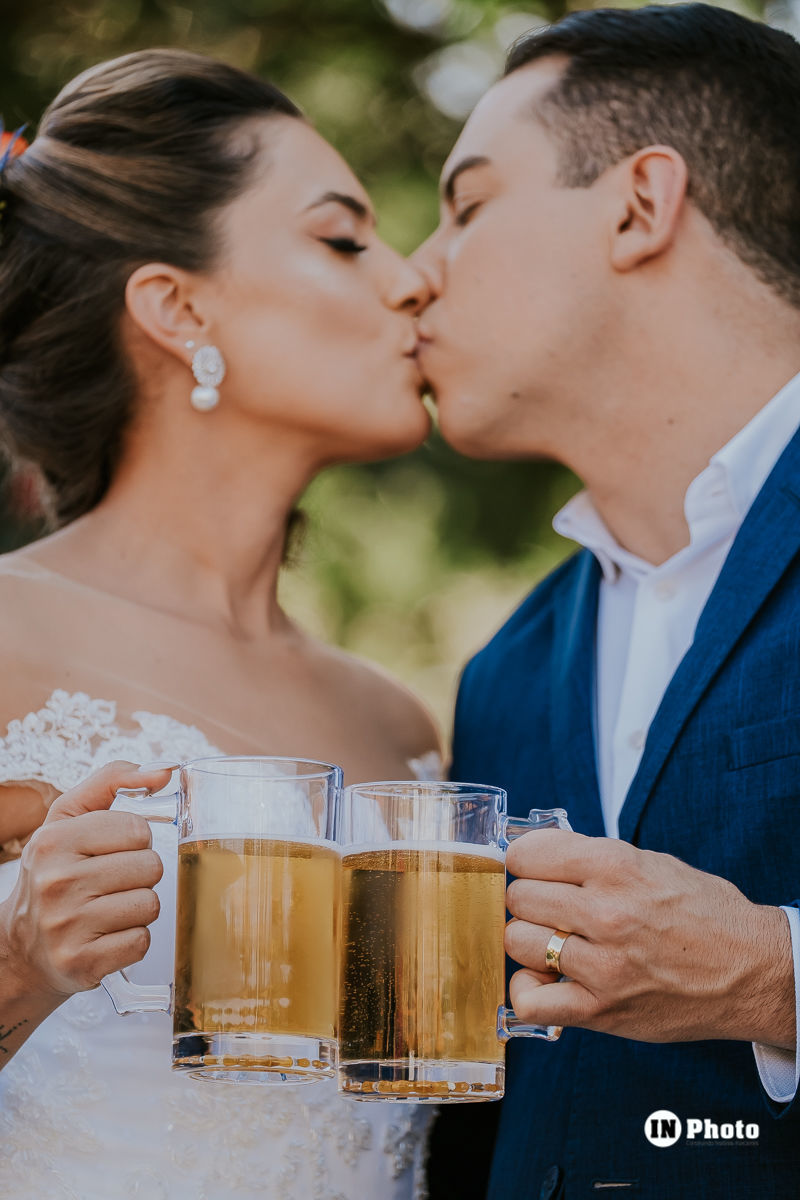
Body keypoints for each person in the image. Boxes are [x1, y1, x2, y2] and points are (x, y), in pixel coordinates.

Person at [0, 49, 441, 1199]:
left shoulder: (400, 722)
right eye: (345, 239)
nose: (412, 283)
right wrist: (19, 969)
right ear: (177, 305)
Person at [414, 5, 800, 1198]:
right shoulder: (503, 670)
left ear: (641, 203)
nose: (411, 278)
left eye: (466, 207)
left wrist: (773, 972)